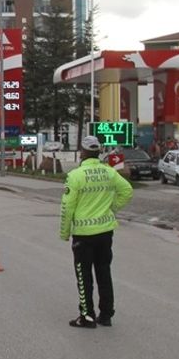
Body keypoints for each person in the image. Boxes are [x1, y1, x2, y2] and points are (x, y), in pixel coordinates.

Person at [60, 136, 134, 329]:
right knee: (104, 272)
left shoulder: (76, 176)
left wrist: (65, 232)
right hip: (105, 231)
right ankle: (106, 314)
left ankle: (87, 316)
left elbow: (67, 207)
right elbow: (127, 190)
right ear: (98, 152)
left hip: (83, 234)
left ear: (83, 153)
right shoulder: (109, 172)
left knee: (84, 276)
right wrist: (112, 209)